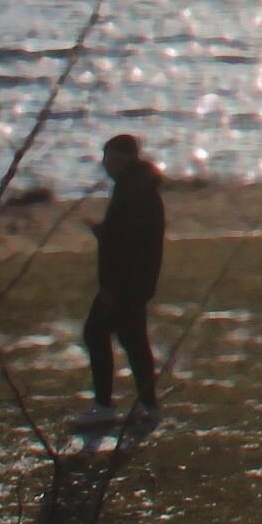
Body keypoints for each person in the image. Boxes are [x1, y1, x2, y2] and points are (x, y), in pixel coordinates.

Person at [81, 132, 169, 421]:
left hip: (125, 282)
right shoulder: (138, 187)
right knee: (132, 340)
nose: (106, 165)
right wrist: (104, 232)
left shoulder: (132, 191)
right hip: (136, 281)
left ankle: (106, 406)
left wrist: (110, 287)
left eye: (109, 159)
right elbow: (128, 237)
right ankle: (147, 405)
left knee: (98, 334)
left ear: (122, 160)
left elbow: (126, 245)